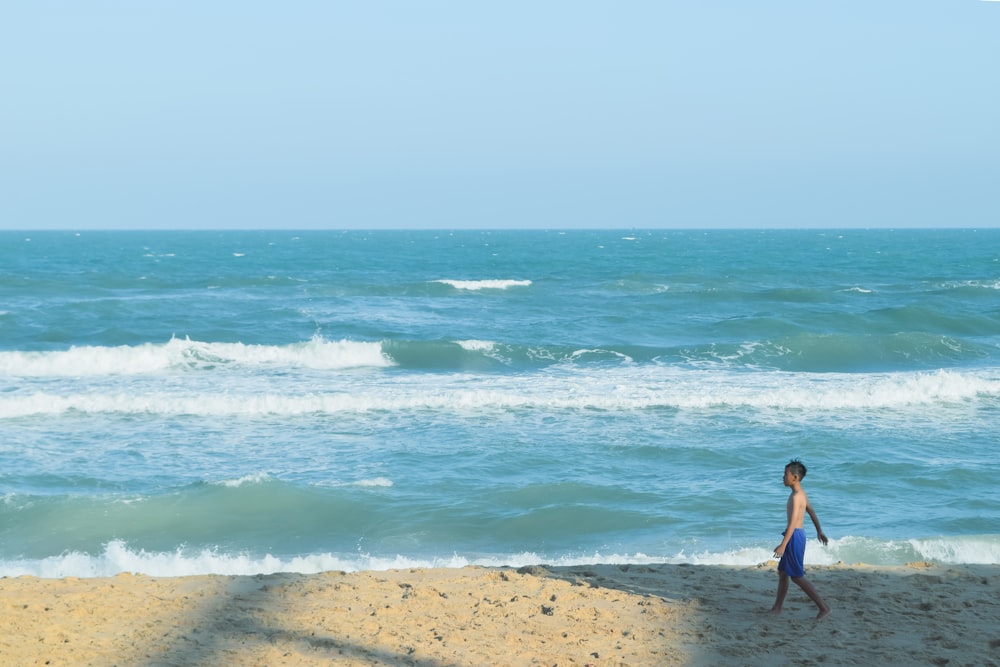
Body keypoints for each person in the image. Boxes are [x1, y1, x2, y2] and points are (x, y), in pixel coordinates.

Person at [768, 458, 831, 620]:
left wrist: (783, 545)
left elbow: (793, 523)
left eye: (785, 474)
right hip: (796, 535)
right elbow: (811, 511)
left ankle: (823, 608)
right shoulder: (801, 494)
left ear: (795, 477)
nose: (782, 477)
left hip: (794, 536)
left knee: (796, 576)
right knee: (783, 572)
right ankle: (777, 607)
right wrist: (819, 531)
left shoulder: (797, 497)